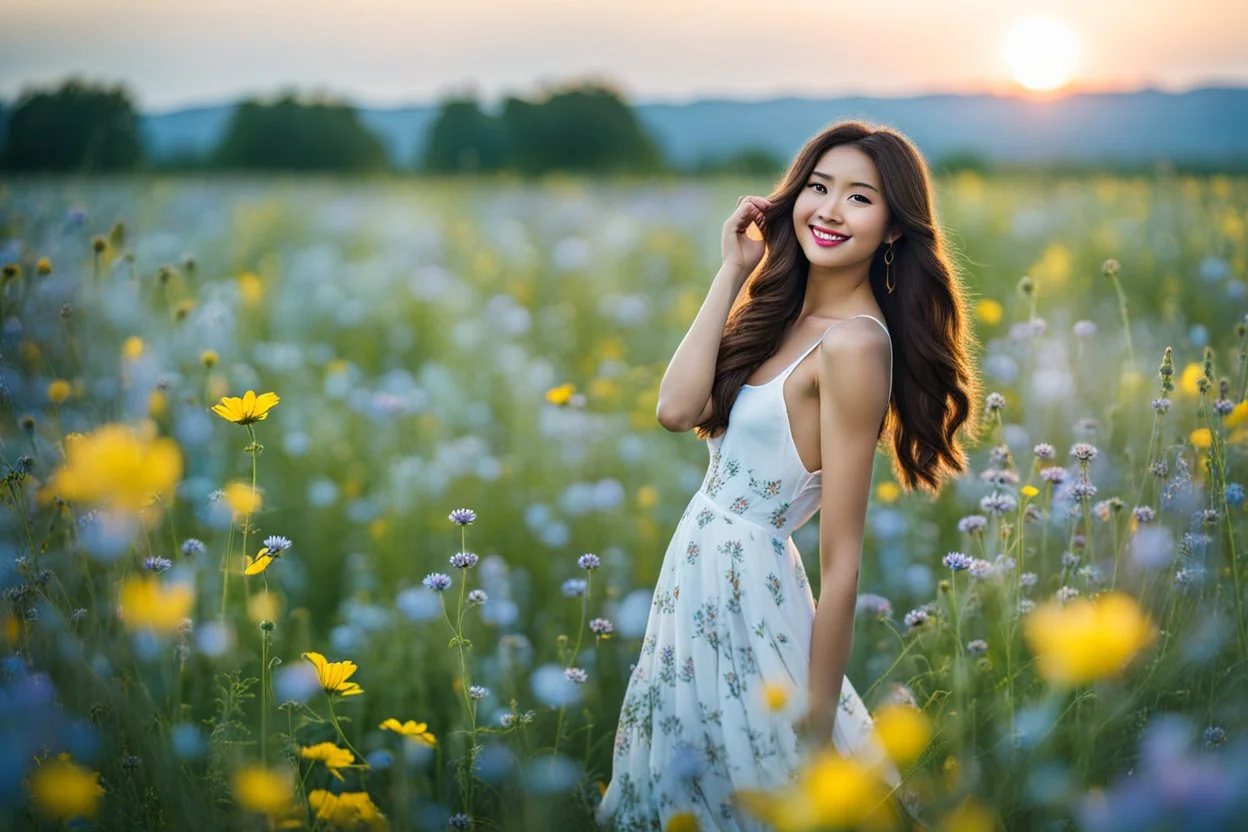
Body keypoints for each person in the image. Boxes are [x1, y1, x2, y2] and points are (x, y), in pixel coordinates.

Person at [594, 120, 980, 830]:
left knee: (760, 796)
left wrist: (816, 729)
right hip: (697, 584)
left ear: (894, 230)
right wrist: (733, 271)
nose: (829, 210)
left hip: (752, 594)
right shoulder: (784, 316)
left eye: (860, 198)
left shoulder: (856, 346)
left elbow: (842, 568)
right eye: (818, 187)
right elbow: (676, 409)